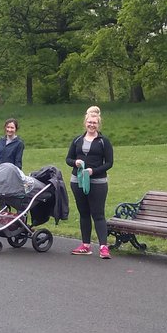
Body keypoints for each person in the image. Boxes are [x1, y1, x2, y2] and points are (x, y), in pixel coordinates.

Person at [66, 106, 114, 258]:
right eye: (89, 122)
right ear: (85, 123)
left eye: (94, 123)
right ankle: (85, 245)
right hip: (78, 181)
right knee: (84, 213)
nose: (91, 125)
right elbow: (68, 159)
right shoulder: (77, 140)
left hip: (97, 182)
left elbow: (109, 163)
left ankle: (103, 247)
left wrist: (94, 171)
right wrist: (76, 163)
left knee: (98, 214)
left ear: (98, 124)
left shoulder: (103, 141)